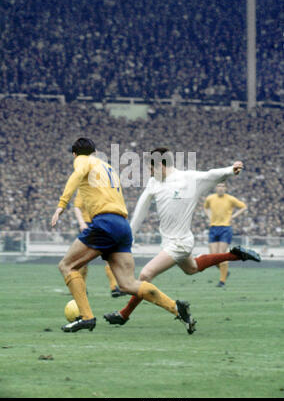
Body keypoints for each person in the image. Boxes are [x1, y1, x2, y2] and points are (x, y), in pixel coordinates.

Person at [51, 138, 195, 334]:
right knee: (128, 284)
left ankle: (86, 318)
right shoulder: (107, 167)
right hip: (122, 225)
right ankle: (176, 308)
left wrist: (61, 205)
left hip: (105, 223)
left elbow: (77, 175)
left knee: (66, 266)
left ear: (76, 154)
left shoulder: (83, 160)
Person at [104, 148, 260, 327]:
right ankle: (235, 255)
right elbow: (141, 209)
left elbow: (211, 175)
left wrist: (230, 170)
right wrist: (129, 237)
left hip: (181, 243)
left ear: (162, 165)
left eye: (151, 168)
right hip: (169, 243)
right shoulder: (154, 182)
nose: (149, 172)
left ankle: (124, 314)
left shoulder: (189, 179)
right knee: (191, 268)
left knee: (146, 274)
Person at [74, 189, 126, 297]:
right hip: (88, 225)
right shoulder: (84, 188)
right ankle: (81, 288)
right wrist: (81, 223)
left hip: (102, 223)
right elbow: (77, 207)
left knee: (110, 256)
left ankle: (114, 287)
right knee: (84, 259)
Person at [204, 182, 247, 287]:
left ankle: (222, 281)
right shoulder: (210, 198)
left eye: (223, 186)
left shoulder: (230, 199)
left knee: (221, 254)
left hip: (225, 228)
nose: (220, 188)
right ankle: (225, 272)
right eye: (219, 186)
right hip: (213, 227)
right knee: (213, 258)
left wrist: (233, 216)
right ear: (215, 188)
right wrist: (209, 217)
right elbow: (206, 207)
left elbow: (243, 207)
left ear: (226, 188)